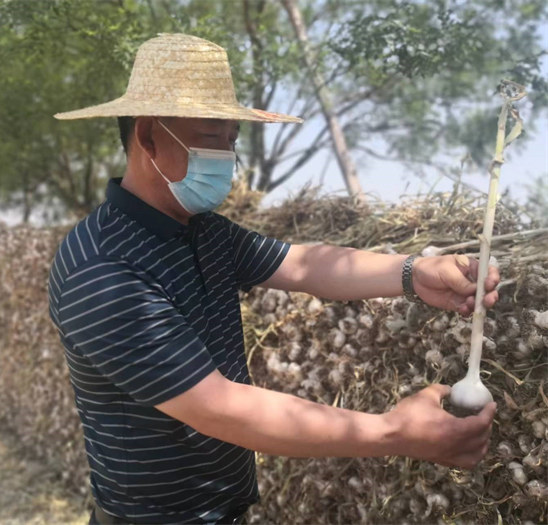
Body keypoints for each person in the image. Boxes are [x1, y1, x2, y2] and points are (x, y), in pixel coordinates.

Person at [47, 33, 499, 525]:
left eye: (232, 141)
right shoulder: (103, 271)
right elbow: (218, 407)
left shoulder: (202, 231)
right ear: (149, 135)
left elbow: (303, 265)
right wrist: (394, 432)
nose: (227, 158)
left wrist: (414, 273)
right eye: (212, 137)